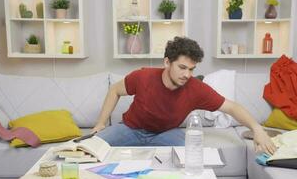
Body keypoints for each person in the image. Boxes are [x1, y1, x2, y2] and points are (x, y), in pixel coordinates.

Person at [92, 36, 276, 155]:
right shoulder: (143, 76)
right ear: (167, 62)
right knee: (91, 148)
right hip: (131, 129)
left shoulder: (195, 88)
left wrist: (257, 129)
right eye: (182, 67)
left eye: (191, 69)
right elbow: (114, 90)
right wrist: (100, 123)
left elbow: (232, 107)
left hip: (166, 134)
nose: (187, 74)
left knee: (191, 154)